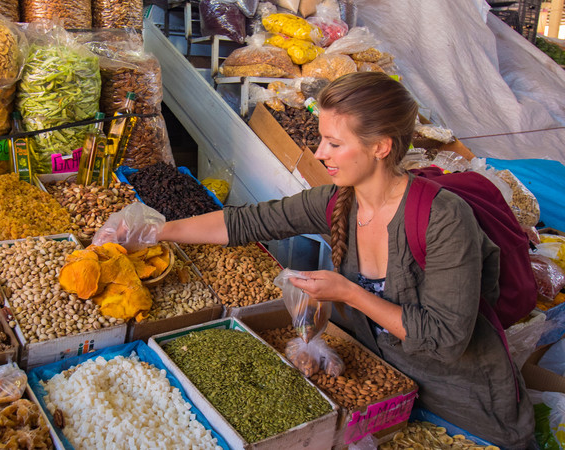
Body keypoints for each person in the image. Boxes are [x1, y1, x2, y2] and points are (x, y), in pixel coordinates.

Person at [94, 72, 534, 448]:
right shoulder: (338, 201)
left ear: (381, 147)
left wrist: (348, 293)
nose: (320, 153)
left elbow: (444, 338)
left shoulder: (441, 218)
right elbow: (245, 223)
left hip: (461, 409)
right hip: (378, 392)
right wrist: (152, 231)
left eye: (332, 142)